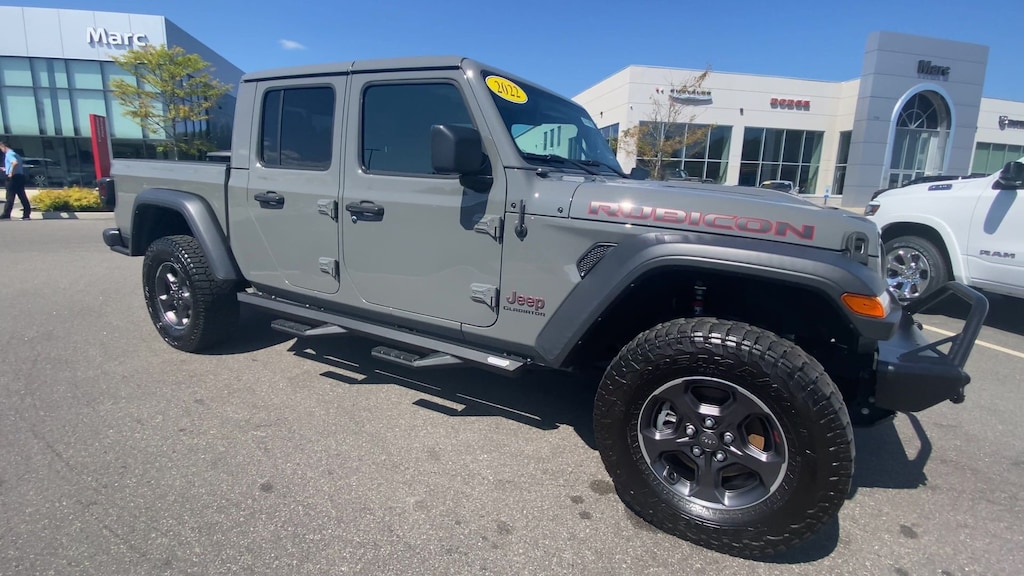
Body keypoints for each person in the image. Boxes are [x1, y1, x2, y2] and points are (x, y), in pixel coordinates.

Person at [0, 141, 31, 220]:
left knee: (10, 196)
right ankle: (26, 214)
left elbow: (15, 163)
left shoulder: (9, 154)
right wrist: (5, 169)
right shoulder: (16, 154)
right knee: (22, 195)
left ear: (3, 147)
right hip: (20, 177)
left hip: (13, 178)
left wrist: (11, 173)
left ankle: (6, 214)